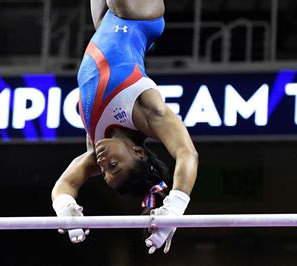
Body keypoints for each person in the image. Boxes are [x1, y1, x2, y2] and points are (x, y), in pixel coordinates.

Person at [51, 0, 198, 254]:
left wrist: (66, 207)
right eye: (114, 165)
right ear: (138, 152)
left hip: (105, 23)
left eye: (105, 171)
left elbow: (64, 185)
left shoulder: (95, 143)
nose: (102, 162)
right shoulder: (146, 111)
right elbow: (187, 153)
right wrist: (175, 206)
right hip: (138, 17)